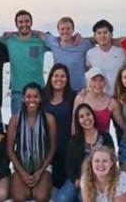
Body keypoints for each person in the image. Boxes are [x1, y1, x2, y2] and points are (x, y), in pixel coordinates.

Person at [6, 82, 58, 202]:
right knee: (19, 197)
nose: (32, 100)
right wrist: (22, 172)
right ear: (23, 98)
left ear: (41, 98)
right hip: (21, 166)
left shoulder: (49, 119)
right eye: (28, 96)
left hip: (42, 166)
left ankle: (43, 180)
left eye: (36, 96)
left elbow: (52, 148)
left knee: (41, 197)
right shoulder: (15, 119)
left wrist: (40, 172)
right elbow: (10, 149)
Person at [58, 103, 115, 202]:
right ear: (78, 121)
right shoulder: (74, 141)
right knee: (62, 198)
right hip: (78, 178)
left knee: (83, 197)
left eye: (88, 114)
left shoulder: (105, 137)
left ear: (93, 115)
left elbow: (112, 159)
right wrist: (75, 180)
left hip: (99, 179)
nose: (86, 118)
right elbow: (68, 166)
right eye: (81, 117)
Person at [3, 10, 50, 114]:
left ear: (31, 23)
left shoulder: (41, 41)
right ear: (16, 24)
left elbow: (62, 44)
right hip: (18, 92)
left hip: (39, 91)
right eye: (20, 22)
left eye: (27, 21)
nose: (24, 24)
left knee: (41, 125)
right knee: (18, 125)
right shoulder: (9, 41)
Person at [42, 64, 76, 198]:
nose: (59, 79)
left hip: (66, 148)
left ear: (67, 79)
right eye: (56, 75)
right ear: (50, 77)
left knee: (61, 185)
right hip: (46, 148)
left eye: (63, 76)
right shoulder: (42, 96)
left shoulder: (74, 97)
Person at [41, 16, 95, 92]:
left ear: (73, 30)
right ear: (58, 30)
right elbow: (40, 34)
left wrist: (85, 68)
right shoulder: (53, 42)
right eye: (62, 29)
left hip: (78, 89)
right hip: (59, 90)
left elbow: (95, 53)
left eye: (68, 28)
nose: (65, 31)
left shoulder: (83, 44)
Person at [74, 67, 124, 133]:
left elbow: (122, 125)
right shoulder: (80, 99)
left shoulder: (112, 103)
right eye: (94, 80)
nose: (98, 84)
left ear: (105, 82)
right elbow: (74, 124)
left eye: (101, 80)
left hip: (104, 141)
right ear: (89, 81)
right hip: (83, 141)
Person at [86, 19, 126, 95]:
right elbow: (89, 75)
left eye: (105, 32)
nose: (102, 36)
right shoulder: (90, 53)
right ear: (95, 36)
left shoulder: (121, 52)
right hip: (99, 96)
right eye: (99, 33)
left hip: (119, 95)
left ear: (111, 35)